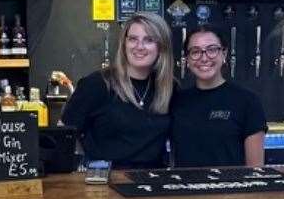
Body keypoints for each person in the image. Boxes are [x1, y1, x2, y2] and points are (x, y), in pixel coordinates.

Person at [61, 12, 175, 169]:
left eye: (149, 40)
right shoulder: (98, 84)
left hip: (152, 181)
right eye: (133, 39)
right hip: (103, 182)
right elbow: (63, 135)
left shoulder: (169, 88)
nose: (139, 47)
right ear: (124, 44)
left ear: (162, 47)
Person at [170, 25, 267, 167]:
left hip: (229, 187)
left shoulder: (247, 101)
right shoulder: (177, 101)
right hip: (184, 187)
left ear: (224, 54)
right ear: (188, 59)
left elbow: (255, 169)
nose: (204, 58)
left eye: (212, 50)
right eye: (195, 51)